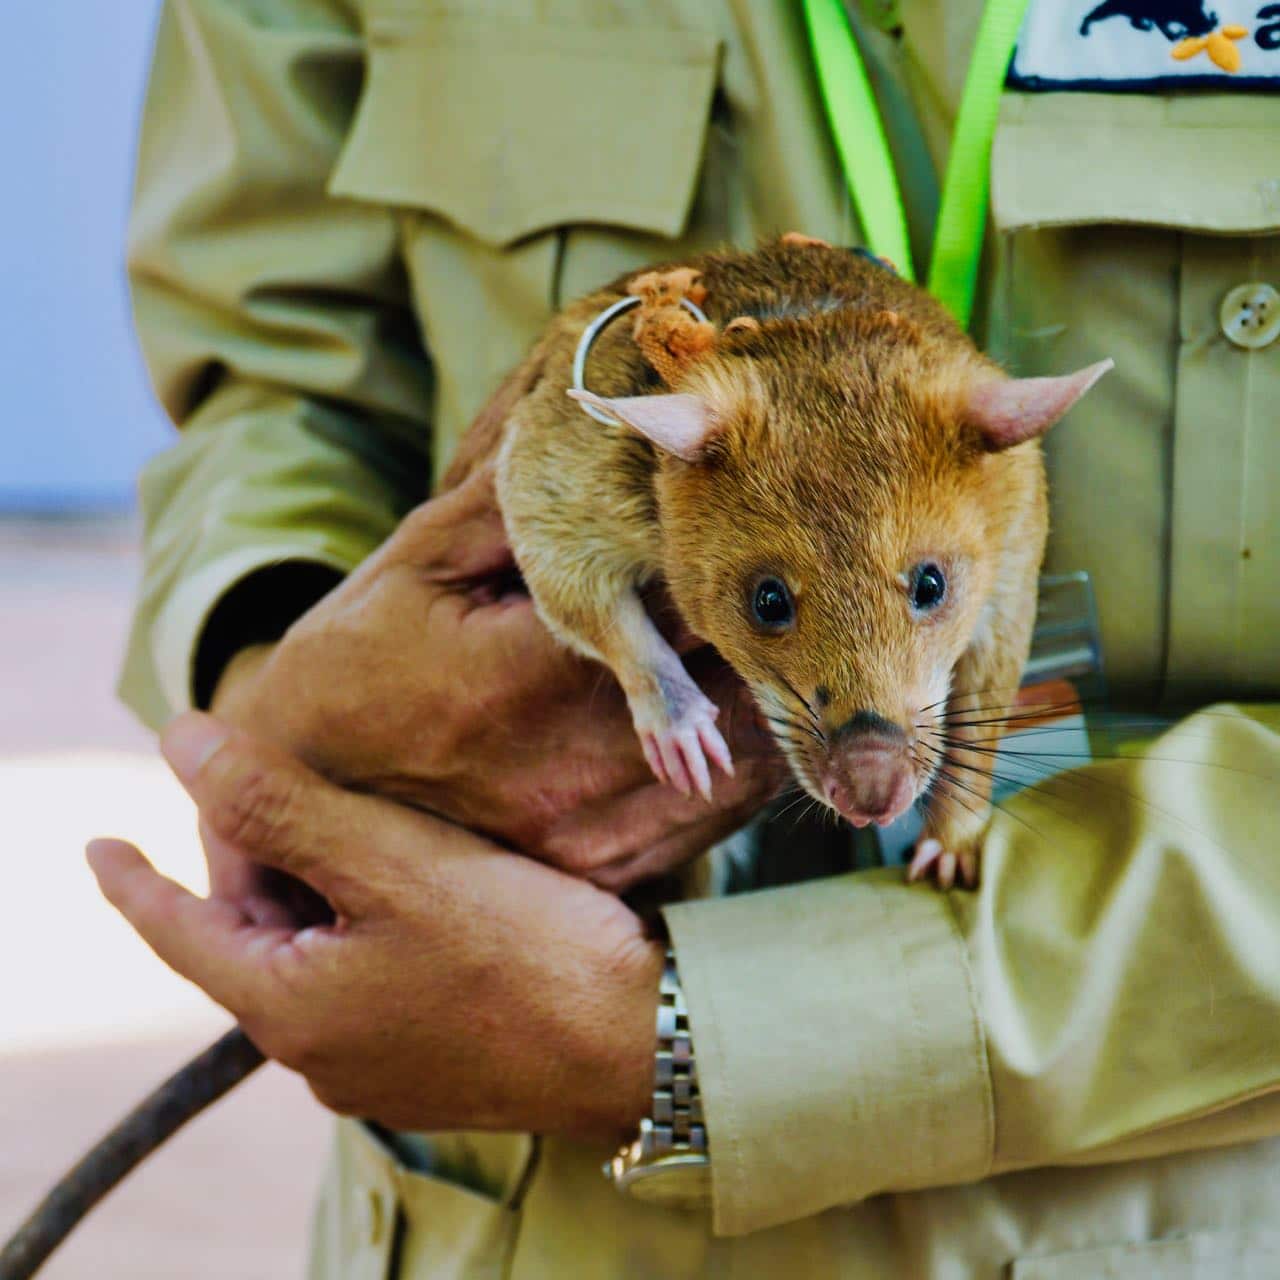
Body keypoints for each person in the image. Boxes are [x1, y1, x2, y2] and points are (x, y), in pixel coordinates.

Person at [94, 0, 1280, 1273]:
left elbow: (982, 654)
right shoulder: (644, 461)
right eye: (768, 606)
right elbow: (270, 368)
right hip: (520, 1198)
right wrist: (289, 675)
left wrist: (663, 1033)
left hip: (1152, 1207)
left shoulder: (992, 478)